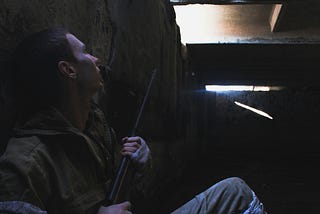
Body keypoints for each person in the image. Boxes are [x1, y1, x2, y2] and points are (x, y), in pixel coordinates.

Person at [0, 28, 267, 214]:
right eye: (85, 53)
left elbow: (126, 196)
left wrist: (139, 165)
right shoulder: (25, 162)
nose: (96, 59)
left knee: (235, 192)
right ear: (68, 70)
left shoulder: (95, 129)